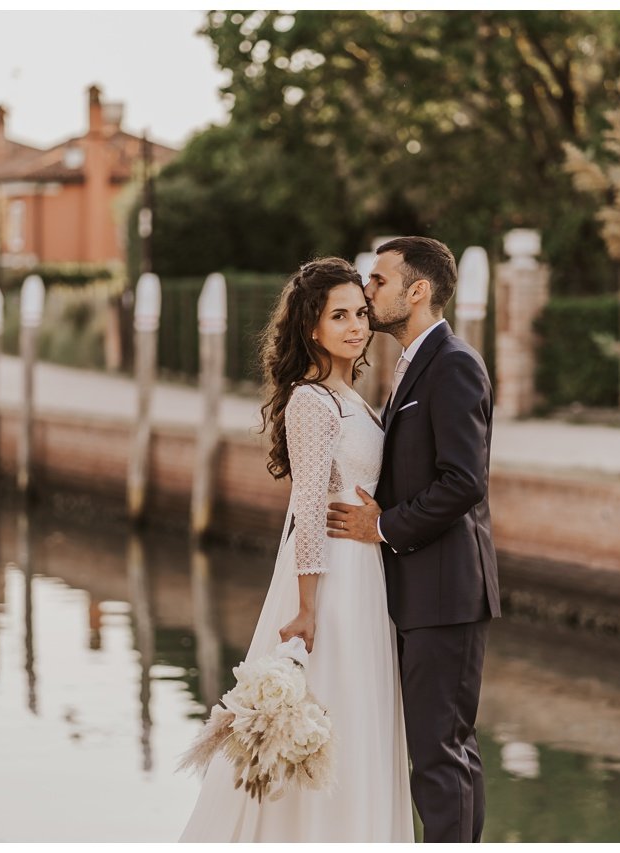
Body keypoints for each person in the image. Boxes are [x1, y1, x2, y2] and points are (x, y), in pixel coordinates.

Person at [179, 257, 416, 841]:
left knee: (361, 716)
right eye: (340, 316)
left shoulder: (349, 395)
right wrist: (308, 605)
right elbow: (308, 505)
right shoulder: (311, 400)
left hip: (365, 575)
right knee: (334, 709)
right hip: (332, 582)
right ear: (312, 326)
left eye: (361, 313)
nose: (357, 326)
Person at [326, 236, 500, 841]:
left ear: (417, 291)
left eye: (379, 282)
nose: (368, 292)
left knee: (440, 754)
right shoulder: (412, 365)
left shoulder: (453, 364)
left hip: (446, 592)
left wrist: (382, 525)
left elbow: (464, 481)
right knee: (439, 751)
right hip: (419, 590)